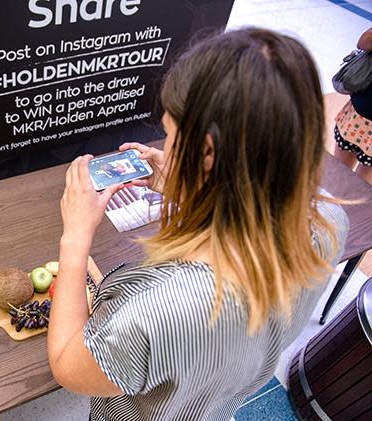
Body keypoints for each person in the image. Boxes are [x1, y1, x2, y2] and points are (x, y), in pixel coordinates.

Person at [48, 28, 349, 421]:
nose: (164, 146)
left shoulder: (157, 314)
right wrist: (186, 182)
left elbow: (67, 364)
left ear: (206, 151)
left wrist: (74, 238)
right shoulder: (329, 222)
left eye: (170, 135)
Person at [333, 27, 372, 184]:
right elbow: (363, 42)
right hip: (359, 114)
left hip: (361, 112)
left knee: (361, 188)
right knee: (338, 174)